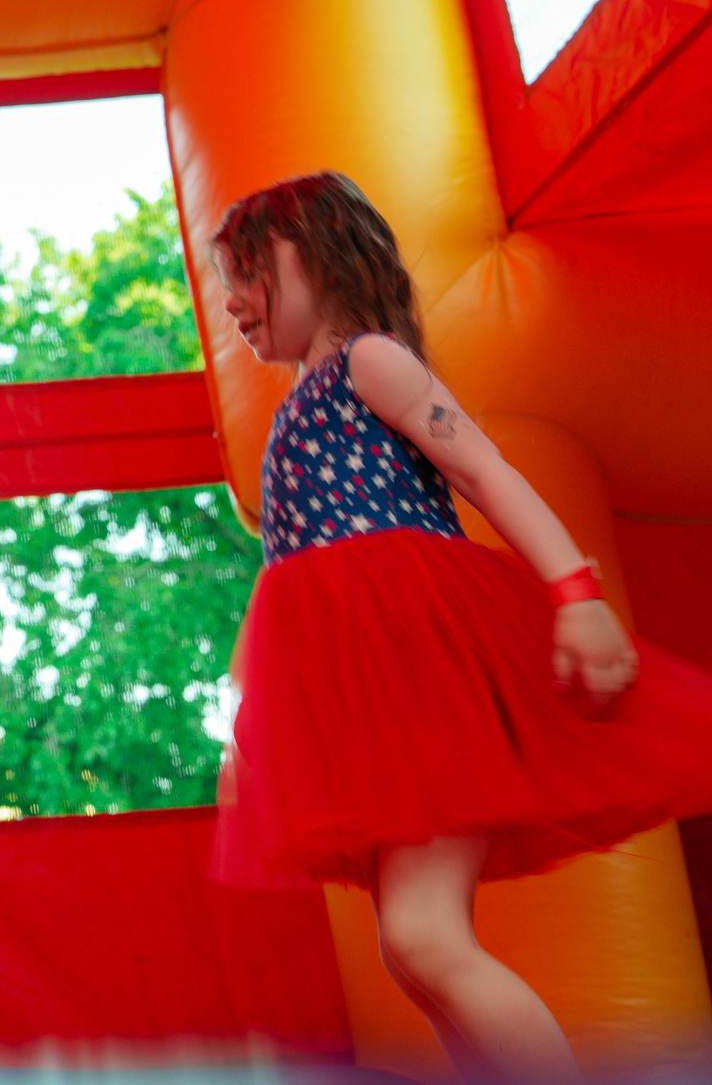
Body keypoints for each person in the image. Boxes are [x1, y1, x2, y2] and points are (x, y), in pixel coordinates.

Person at [209, 171, 712, 1084]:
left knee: (424, 935)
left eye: (250, 271)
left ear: (320, 255)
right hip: (374, 693)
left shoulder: (372, 362)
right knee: (413, 950)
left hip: (424, 660)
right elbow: (294, 578)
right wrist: (256, 730)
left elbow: (483, 468)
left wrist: (574, 589)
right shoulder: (297, 409)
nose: (235, 302)